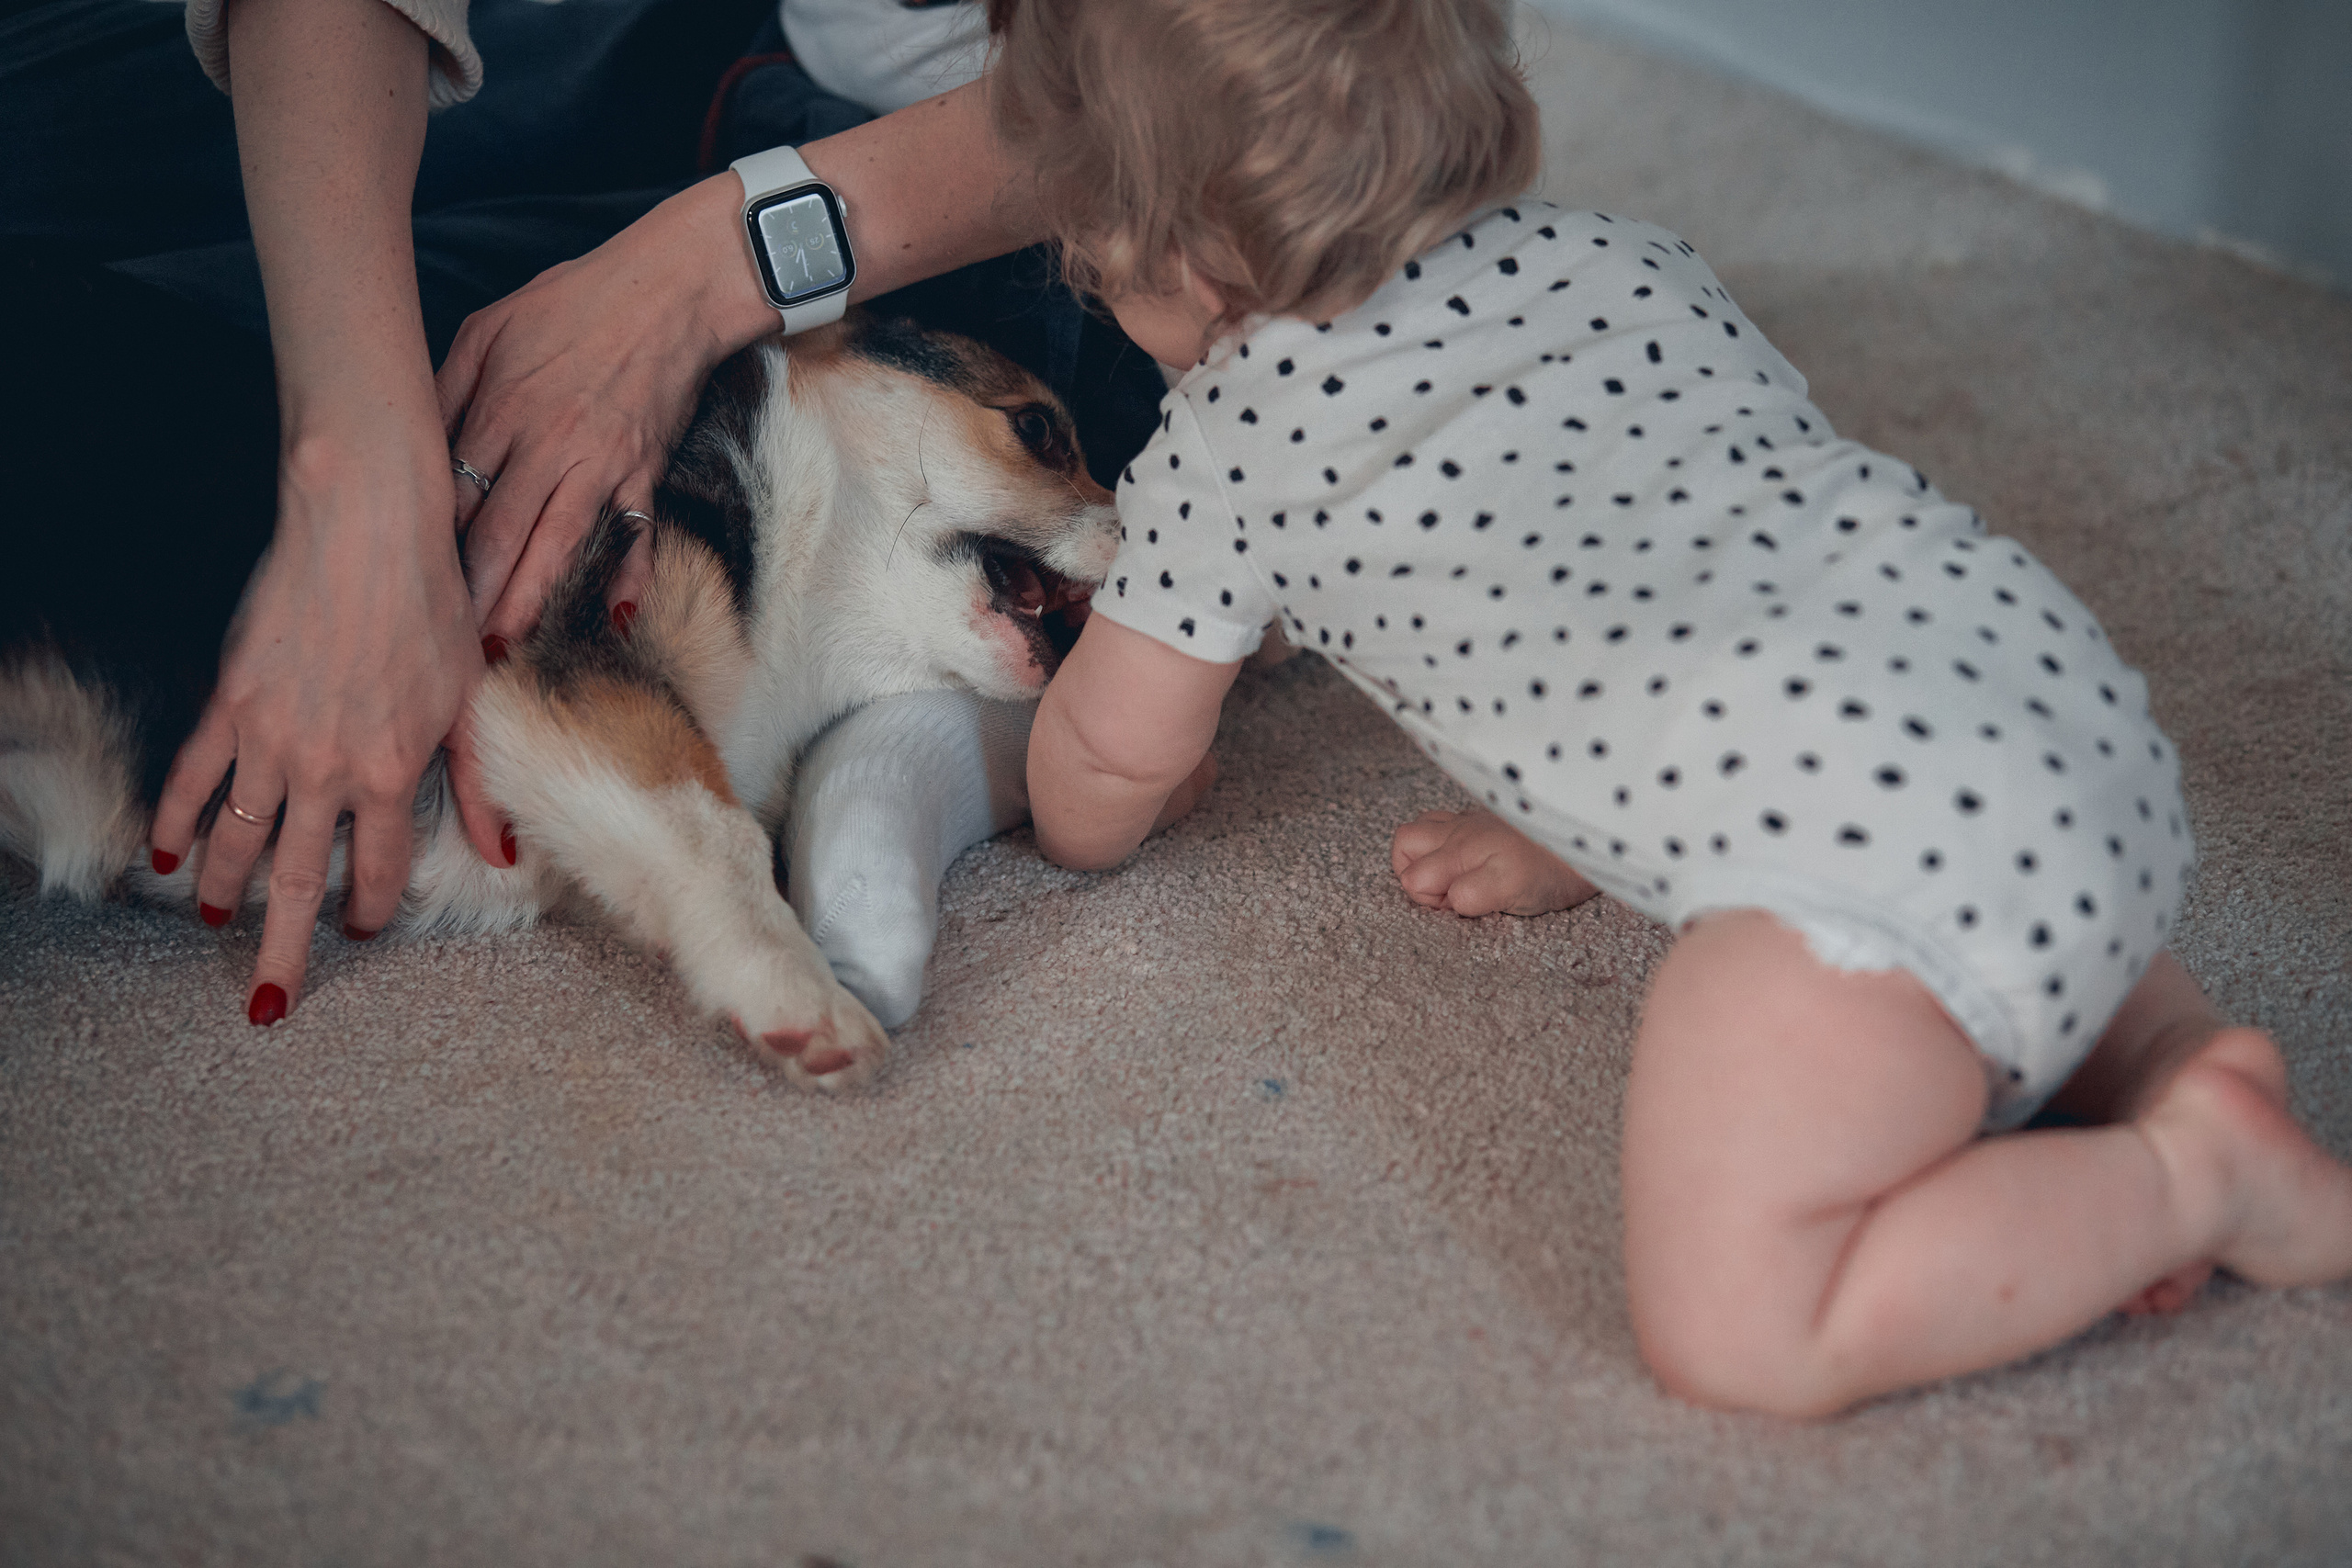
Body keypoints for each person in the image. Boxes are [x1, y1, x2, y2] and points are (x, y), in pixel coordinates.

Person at [1001, 0, 2352, 1416]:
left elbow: (1112, 748)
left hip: (1866, 867)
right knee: (2021, 926)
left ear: (1179, 262)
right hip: (2042, 692)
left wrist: (1071, 813)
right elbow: (1678, 545)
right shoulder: (1616, 255)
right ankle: (2180, 1054)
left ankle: (2189, 1177)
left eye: (1091, 260)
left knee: (1743, 1324)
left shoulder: (1228, 453)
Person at [1, 0, 1161, 1027]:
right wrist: (356, 468)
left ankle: (924, 752)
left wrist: (704, 272)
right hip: (716, 46)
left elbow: (1232, 98)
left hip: (1014, 212)